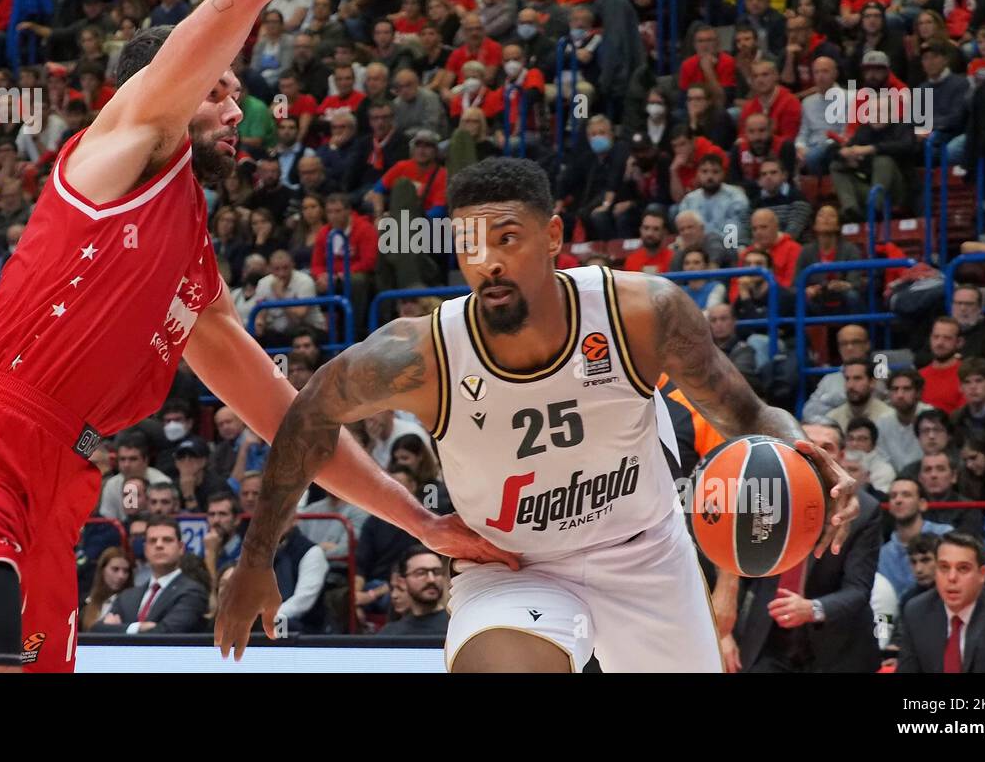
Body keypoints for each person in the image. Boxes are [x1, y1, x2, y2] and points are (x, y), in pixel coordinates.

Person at [0, 0, 507, 675]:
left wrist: (421, 521)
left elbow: (295, 425)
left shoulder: (195, 279)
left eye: (237, 91)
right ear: (162, 87)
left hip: (62, 490)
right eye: (216, 87)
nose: (234, 106)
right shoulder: (123, 143)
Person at [216, 157, 858, 671]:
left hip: (645, 556)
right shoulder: (423, 353)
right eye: (469, 244)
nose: (486, 261)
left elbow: (746, 412)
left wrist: (804, 451)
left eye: (506, 238)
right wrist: (255, 558)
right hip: (511, 566)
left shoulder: (641, 314)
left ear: (553, 236)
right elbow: (307, 418)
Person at [727, 420, 881, 673]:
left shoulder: (864, 511)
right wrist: (725, 632)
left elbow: (858, 589)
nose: (816, 454)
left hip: (835, 643)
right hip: (768, 637)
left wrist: (812, 609)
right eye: (808, 445)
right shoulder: (766, 497)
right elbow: (739, 571)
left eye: (827, 448)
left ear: (840, 457)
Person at [893, 532, 985, 673]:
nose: (951, 577)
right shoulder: (917, 611)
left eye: (963, 568)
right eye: (944, 567)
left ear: (982, 574)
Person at [86, 517, 207, 634]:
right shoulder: (127, 596)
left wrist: (121, 629)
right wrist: (138, 627)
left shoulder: (193, 592)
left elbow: (166, 633)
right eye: (152, 541)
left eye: (167, 540)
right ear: (145, 549)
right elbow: (97, 629)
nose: (159, 545)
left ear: (181, 548)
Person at [878, 478, 952, 597]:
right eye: (893, 496)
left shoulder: (946, 536)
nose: (898, 500)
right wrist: (884, 617)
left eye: (906, 495)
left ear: (922, 504)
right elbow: (881, 604)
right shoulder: (883, 554)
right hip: (895, 613)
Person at [378, 545, 449, 638]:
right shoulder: (390, 634)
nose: (431, 579)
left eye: (436, 572)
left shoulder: (458, 627)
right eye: (421, 573)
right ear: (402, 582)